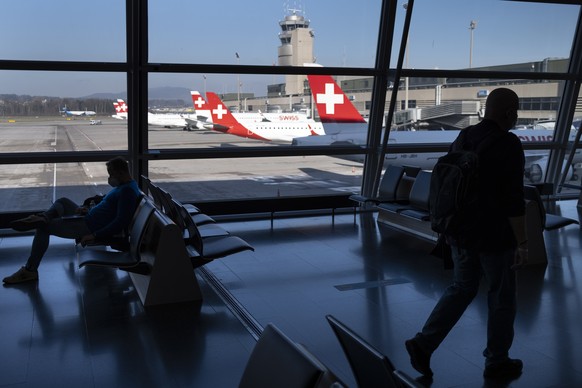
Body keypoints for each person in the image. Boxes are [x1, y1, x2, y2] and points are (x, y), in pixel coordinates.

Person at [405, 88, 528, 380]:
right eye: (516, 110)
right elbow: (513, 200)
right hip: (494, 235)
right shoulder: (508, 144)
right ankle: (497, 360)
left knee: (461, 288)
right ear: (509, 113)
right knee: (501, 296)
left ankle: (424, 343)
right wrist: (522, 242)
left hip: (459, 231)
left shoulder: (464, 137)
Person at [3, 156, 141, 284]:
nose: (110, 178)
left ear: (122, 173)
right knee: (63, 201)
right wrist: (88, 209)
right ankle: (44, 217)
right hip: (89, 217)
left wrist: (94, 235)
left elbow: (120, 221)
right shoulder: (126, 186)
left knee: (43, 228)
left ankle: (30, 270)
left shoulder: (126, 192)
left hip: (88, 226)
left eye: (111, 174)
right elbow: (110, 210)